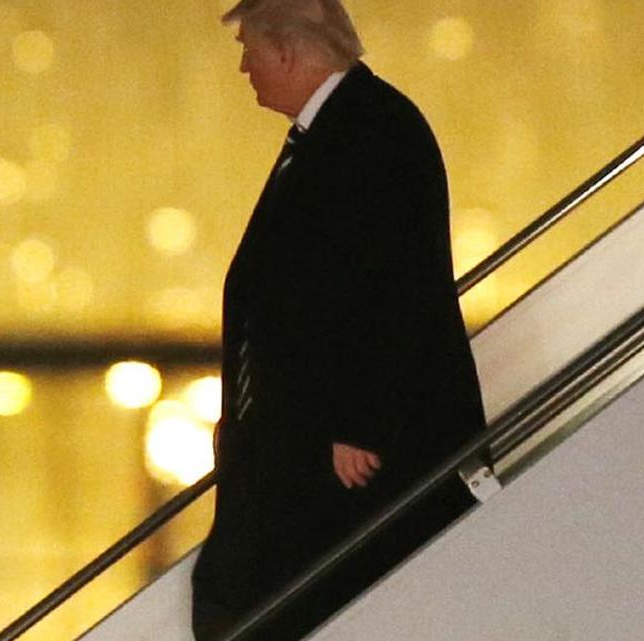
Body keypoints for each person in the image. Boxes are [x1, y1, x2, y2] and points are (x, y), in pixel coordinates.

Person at [190, 1, 487, 639]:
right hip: (296, 449)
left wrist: (365, 421)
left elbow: (400, 283)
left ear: (289, 52)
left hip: (347, 460)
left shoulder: (378, 129)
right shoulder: (334, 131)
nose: (244, 66)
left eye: (251, 49)